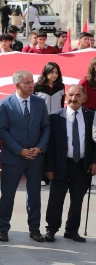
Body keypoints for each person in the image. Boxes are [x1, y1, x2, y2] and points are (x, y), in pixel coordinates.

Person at [0, 70, 51, 243]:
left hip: (35, 157)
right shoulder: (5, 104)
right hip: (13, 157)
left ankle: (34, 228)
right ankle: (3, 228)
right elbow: (2, 130)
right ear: (18, 85)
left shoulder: (40, 103)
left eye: (32, 82)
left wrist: (40, 148)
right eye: (27, 83)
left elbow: (46, 127)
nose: (31, 85)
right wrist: (19, 150)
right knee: (8, 194)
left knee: (34, 194)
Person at [44, 84, 96, 243]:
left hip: (82, 165)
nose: (73, 98)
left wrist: (94, 161)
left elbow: (94, 142)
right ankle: (51, 229)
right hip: (61, 163)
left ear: (84, 98)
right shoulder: (55, 117)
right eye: (70, 95)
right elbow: (50, 145)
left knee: (78, 199)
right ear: (65, 97)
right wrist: (49, 167)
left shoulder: (91, 116)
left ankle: (72, 230)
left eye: (78, 95)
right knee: (56, 198)